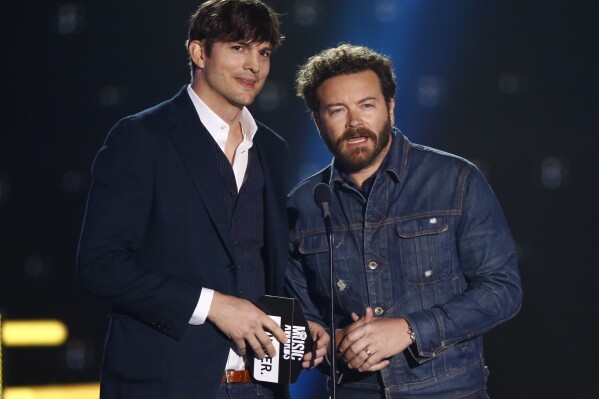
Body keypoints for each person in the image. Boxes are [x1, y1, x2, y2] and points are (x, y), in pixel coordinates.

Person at [76, 1, 327, 398]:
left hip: (259, 385)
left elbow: (266, 263)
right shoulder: (142, 138)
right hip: (168, 383)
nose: (254, 67)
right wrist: (212, 305)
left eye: (263, 52)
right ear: (198, 52)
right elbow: (100, 264)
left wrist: (303, 321)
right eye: (238, 48)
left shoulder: (271, 148)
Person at [285, 43, 522, 398]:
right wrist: (321, 339)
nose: (354, 123)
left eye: (367, 106)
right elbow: (298, 317)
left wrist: (409, 329)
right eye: (337, 110)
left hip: (449, 391)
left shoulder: (456, 180)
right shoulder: (301, 205)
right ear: (318, 121)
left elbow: (503, 290)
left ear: (390, 109)